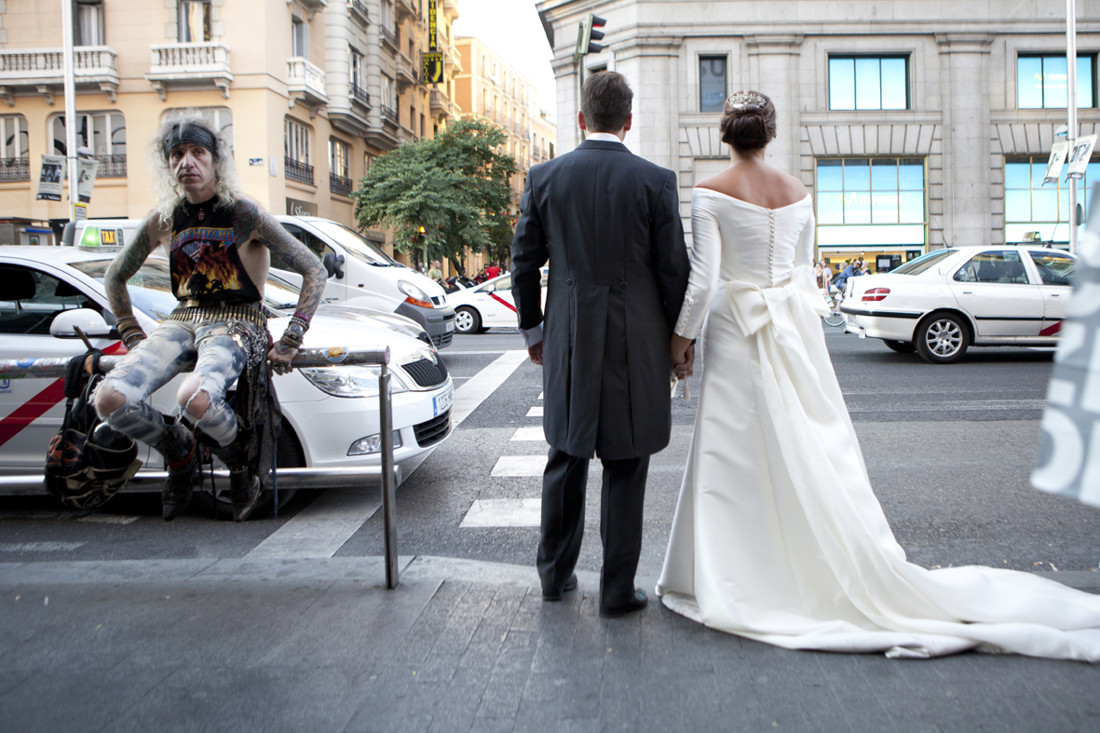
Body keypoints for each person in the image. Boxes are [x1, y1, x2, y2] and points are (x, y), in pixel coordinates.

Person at [657, 90, 1100, 660]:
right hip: (793, 327)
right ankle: (801, 563)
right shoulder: (798, 193)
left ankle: (731, 572)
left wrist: (679, 342)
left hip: (735, 327)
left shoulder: (709, 192)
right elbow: (803, 274)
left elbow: (703, 280)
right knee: (808, 443)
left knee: (734, 447)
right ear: (771, 134)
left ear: (725, 133)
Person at [511, 71, 690, 618]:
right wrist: (677, 342)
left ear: (582, 119)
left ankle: (554, 577)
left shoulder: (544, 177)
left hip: (567, 337)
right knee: (626, 461)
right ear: (628, 121)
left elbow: (523, 263)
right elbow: (673, 271)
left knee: (565, 455)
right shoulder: (655, 181)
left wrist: (535, 331)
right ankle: (616, 590)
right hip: (636, 339)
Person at [93, 114, 327, 522]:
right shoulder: (164, 220)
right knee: (109, 399)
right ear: (168, 165)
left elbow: (314, 268)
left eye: (198, 152)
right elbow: (115, 276)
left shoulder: (243, 214)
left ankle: (239, 462)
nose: (187, 162)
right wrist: (130, 331)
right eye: (178, 154)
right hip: (181, 319)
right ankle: (179, 452)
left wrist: (292, 338)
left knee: (195, 398)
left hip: (239, 322)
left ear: (217, 161)